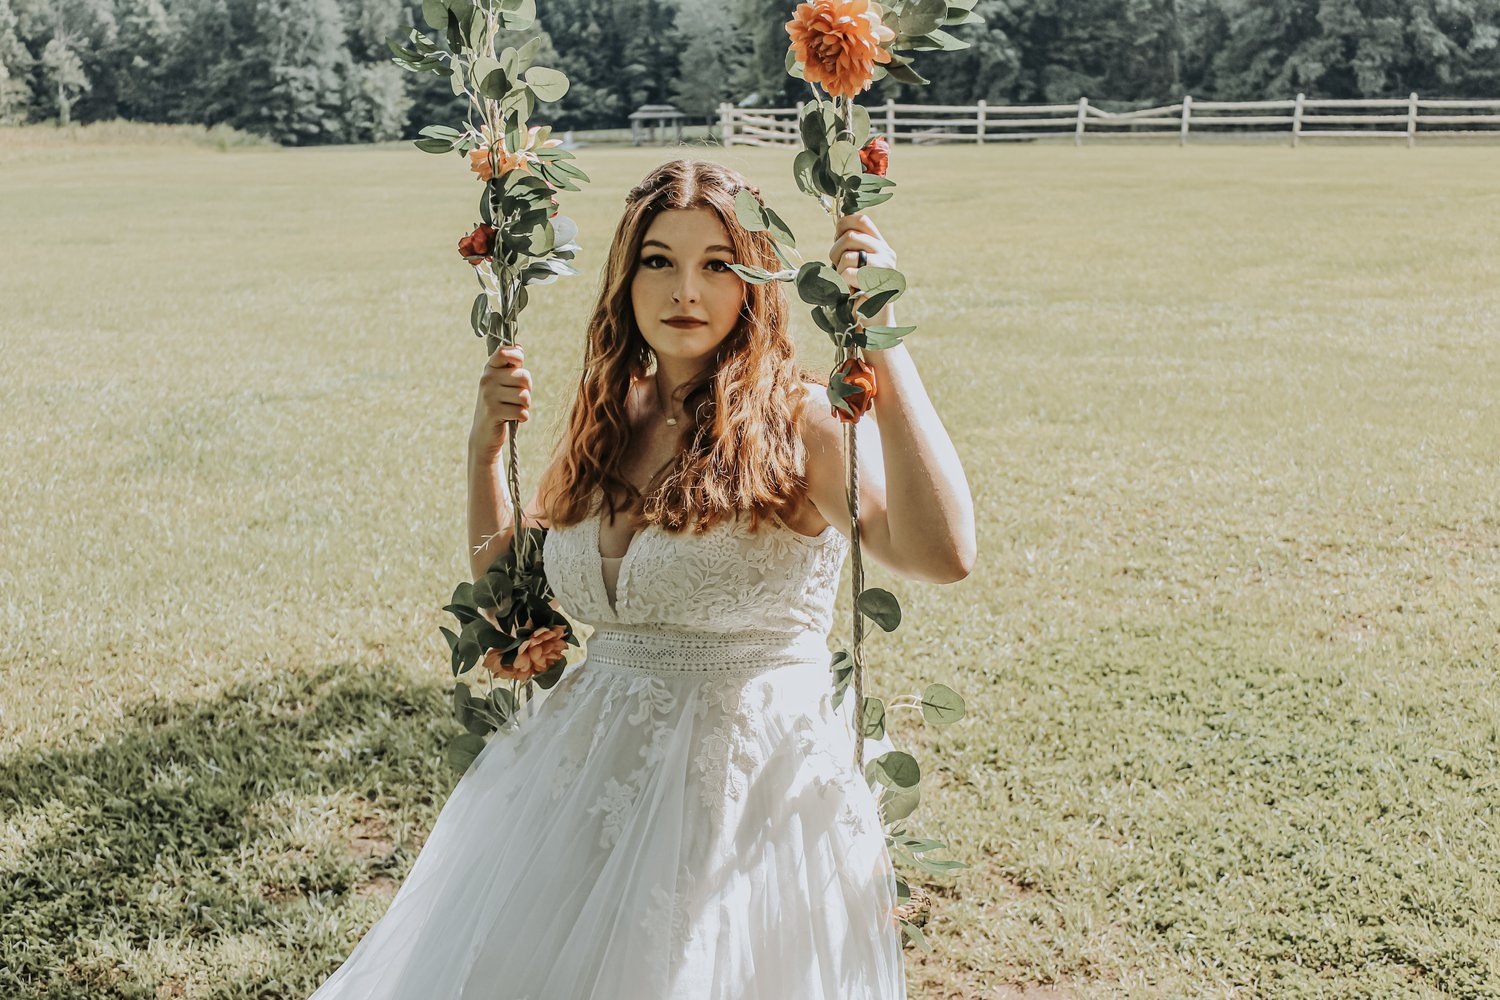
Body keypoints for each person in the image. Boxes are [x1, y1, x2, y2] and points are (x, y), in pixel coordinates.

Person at [308, 159, 975, 999]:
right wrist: (483, 455)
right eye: (658, 260)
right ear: (626, 278)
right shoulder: (610, 412)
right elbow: (515, 599)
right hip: (583, 787)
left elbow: (942, 553)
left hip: (740, 798)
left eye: (716, 264)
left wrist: (884, 339)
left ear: (755, 279)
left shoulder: (800, 424)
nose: (684, 290)